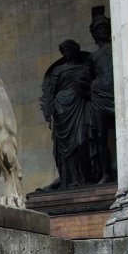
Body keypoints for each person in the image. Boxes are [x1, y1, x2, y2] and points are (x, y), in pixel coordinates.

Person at [39, 39, 93, 190]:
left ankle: (83, 179)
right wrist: (48, 111)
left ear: (76, 50)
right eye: (64, 51)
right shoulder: (58, 71)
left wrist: (85, 90)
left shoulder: (84, 69)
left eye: (69, 50)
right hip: (62, 109)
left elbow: (91, 89)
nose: (67, 53)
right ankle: (67, 181)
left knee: (82, 141)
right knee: (63, 149)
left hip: (79, 105)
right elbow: (49, 92)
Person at [86, 6, 115, 184]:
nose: (102, 31)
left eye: (105, 28)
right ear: (94, 34)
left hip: (114, 93)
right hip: (98, 97)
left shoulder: (116, 47)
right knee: (100, 136)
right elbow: (87, 79)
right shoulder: (92, 57)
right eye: (99, 29)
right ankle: (105, 174)